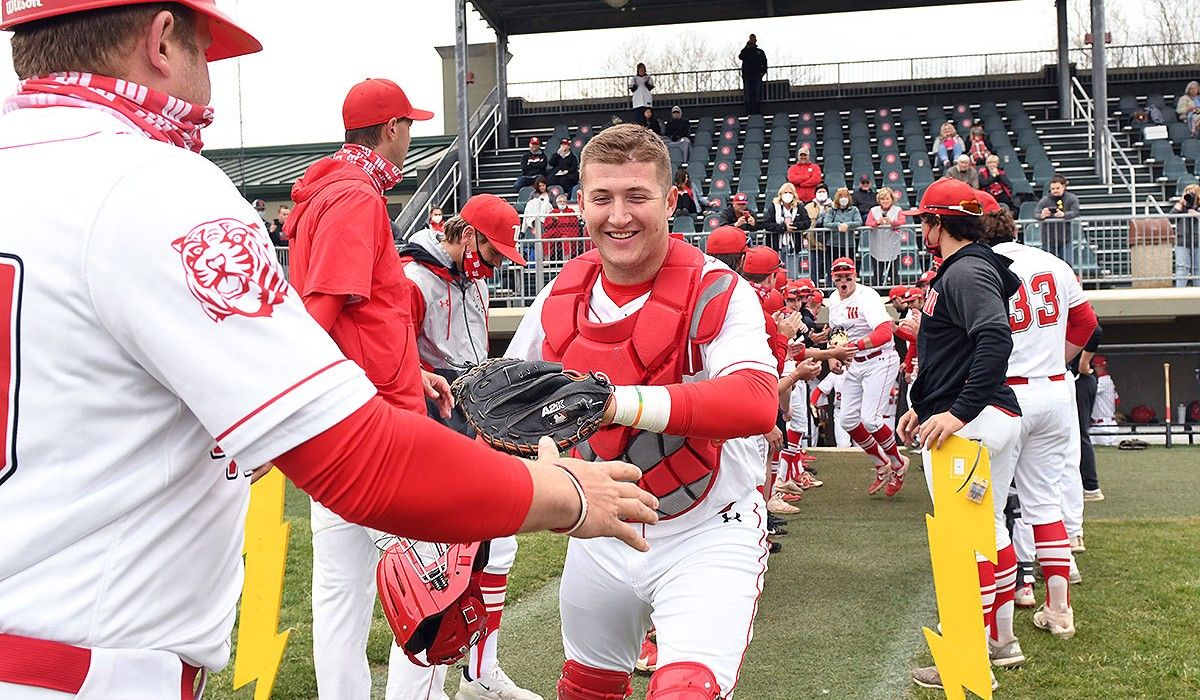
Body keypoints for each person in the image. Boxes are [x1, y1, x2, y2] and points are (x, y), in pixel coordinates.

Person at [0, 5, 658, 700]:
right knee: (425, 597)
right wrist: (563, 494)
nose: (209, 84)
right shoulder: (151, 179)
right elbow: (353, 430)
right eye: (204, 50)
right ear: (162, 41)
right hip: (80, 666)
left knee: (345, 595)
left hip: (36, 626)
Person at [505, 124, 779, 700]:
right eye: (602, 198)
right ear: (580, 204)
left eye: (637, 196)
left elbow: (755, 402)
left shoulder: (719, 290)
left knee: (685, 692)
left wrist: (616, 403)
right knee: (585, 690)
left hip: (708, 530)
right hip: (601, 531)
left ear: (672, 200)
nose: (618, 216)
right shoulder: (559, 295)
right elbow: (503, 411)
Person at [393, 195, 541, 700]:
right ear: (466, 234)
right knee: (436, 573)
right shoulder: (413, 278)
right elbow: (392, 363)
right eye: (493, 251)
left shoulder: (467, 279)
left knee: (498, 542)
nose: (497, 264)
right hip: (428, 429)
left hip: (470, 417)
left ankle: (481, 672)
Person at [896, 179, 1023, 693]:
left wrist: (956, 412)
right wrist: (923, 406)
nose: (920, 229)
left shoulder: (966, 270)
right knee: (989, 532)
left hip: (973, 422)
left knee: (960, 545)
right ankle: (1001, 641)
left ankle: (969, 661)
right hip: (985, 415)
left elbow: (995, 337)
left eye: (923, 220)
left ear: (937, 224)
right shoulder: (972, 267)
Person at [977, 190, 1098, 662]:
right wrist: (1057, 362)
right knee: (1045, 501)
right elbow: (1086, 323)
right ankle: (1059, 607)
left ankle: (1000, 629)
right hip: (1052, 388)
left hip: (1005, 393)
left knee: (991, 512)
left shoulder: (979, 268)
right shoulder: (1052, 262)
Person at [825, 257, 906, 496]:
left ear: (855, 276)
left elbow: (884, 331)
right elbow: (836, 333)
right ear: (833, 278)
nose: (843, 281)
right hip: (855, 362)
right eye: (838, 277)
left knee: (871, 419)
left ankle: (898, 465)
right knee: (848, 420)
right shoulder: (833, 299)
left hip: (880, 359)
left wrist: (856, 346)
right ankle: (882, 465)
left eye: (847, 276)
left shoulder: (867, 296)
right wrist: (833, 356)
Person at [814, 187, 861, 284]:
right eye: (841, 197)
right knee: (832, 267)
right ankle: (831, 287)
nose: (843, 199)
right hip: (833, 244)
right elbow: (826, 223)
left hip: (849, 244)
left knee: (849, 267)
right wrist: (838, 226)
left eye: (845, 197)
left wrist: (847, 225)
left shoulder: (854, 209)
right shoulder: (832, 210)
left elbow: (859, 221)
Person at [763, 182, 810, 274]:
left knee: (792, 273)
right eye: (785, 192)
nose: (788, 195)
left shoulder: (799, 207)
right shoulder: (774, 206)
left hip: (793, 246)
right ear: (781, 194)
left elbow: (807, 222)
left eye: (790, 192)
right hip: (776, 245)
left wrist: (794, 226)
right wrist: (783, 227)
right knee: (777, 272)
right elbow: (766, 223)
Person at [864, 187, 907, 284]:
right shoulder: (874, 210)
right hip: (877, 245)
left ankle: (894, 291)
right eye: (883, 199)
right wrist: (877, 222)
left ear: (892, 199)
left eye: (887, 198)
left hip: (893, 245)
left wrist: (892, 222)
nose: (885, 201)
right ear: (879, 200)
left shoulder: (898, 210)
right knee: (877, 272)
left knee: (894, 272)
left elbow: (902, 221)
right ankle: (877, 291)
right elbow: (868, 222)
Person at [1035, 175, 1080, 266]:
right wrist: (1042, 215)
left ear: (1064, 187)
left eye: (1057, 188)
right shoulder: (1045, 200)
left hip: (1065, 239)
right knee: (1049, 265)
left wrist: (1064, 215)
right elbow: (1036, 214)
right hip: (1048, 239)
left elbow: (1076, 212)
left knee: (1067, 265)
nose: (1055, 190)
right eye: (1053, 188)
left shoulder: (1071, 198)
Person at [811, 367, 850, 447]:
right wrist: (812, 404)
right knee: (843, 445)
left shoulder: (864, 369)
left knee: (863, 446)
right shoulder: (837, 371)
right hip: (840, 411)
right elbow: (820, 389)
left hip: (859, 411)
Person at [1171, 182, 1200, 286]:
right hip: (1182, 241)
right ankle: (1179, 293)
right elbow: (1170, 218)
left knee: (1198, 269)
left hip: (1198, 241)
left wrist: (1196, 213)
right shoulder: (1181, 207)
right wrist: (1181, 202)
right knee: (1182, 268)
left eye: (1192, 194)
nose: (1190, 197)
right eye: (1187, 194)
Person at [543, 193, 583, 260]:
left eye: (564, 201)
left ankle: (566, 259)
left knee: (565, 239)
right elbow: (546, 224)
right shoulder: (553, 212)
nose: (562, 203)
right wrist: (553, 220)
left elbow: (573, 222)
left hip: (568, 232)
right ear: (556, 203)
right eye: (560, 201)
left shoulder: (571, 211)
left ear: (566, 203)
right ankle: (547, 259)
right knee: (545, 238)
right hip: (555, 232)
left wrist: (558, 219)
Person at [1091, 355, 1119, 446]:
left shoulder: (1104, 380)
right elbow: (1117, 400)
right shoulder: (1104, 379)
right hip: (1095, 424)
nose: (1094, 369)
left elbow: (1087, 391)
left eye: (1095, 366)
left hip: (1106, 425)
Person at [738, 34, 768, 115]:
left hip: (757, 76)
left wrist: (762, 73)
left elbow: (764, 63)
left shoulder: (759, 52)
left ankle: (757, 111)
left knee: (757, 94)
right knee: (748, 95)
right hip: (747, 76)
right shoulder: (746, 51)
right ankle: (748, 112)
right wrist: (747, 46)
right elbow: (740, 56)